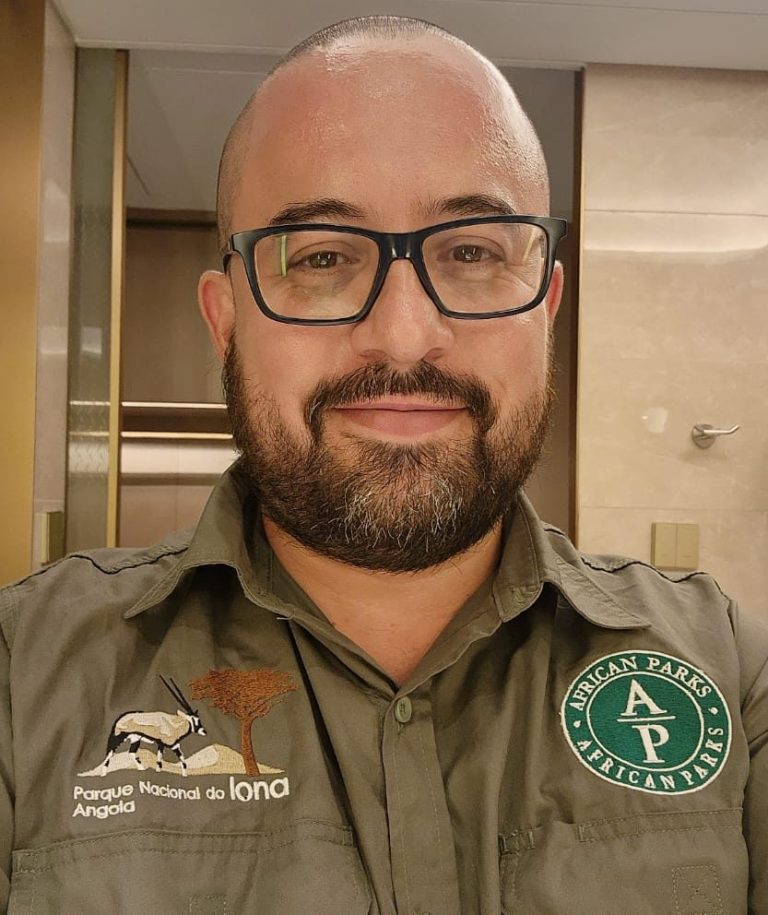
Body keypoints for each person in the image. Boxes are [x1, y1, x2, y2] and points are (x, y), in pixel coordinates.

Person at [0, 14, 765, 914]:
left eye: (472, 251)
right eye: (322, 257)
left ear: (546, 307)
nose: (404, 334)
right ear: (225, 321)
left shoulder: (726, 668)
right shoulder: (25, 677)